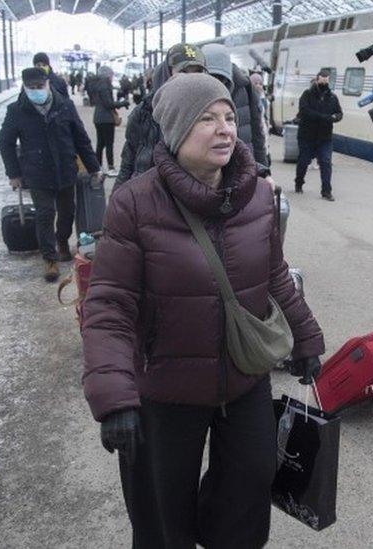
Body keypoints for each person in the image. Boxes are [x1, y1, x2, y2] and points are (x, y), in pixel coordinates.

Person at [82, 73, 325, 547]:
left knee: (250, 485)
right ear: (174, 132)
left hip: (243, 375)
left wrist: (307, 339)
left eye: (230, 117)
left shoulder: (257, 193)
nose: (225, 129)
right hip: (165, 387)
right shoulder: (135, 203)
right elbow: (110, 304)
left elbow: (275, 275)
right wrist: (114, 394)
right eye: (207, 119)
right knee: (161, 510)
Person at [0, 67, 101, 282]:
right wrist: (13, 173)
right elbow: (6, 143)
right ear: (24, 87)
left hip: (65, 169)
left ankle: (62, 240)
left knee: (67, 212)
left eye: (40, 86)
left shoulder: (65, 105)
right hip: (37, 172)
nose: (37, 91)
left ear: (48, 84)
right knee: (45, 214)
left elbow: (81, 138)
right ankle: (50, 258)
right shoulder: (17, 110)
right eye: (32, 87)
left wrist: (93, 167)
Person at [115, 43, 206, 188]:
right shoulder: (144, 112)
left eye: (198, 72)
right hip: (145, 195)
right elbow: (127, 164)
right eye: (184, 71)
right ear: (167, 73)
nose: (191, 78)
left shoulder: (209, 113)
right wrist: (116, 200)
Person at [202, 44, 270, 172]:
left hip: (242, 164)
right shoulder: (192, 90)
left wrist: (263, 169)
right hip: (217, 164)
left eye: (221, 77)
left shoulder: (245, 87)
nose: (217, 81)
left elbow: (257, 132)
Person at [294, 69, 342, 201]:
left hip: (325, 138)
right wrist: (324, 117)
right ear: (317, 79)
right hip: (307, 136)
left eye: (327, 80)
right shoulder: (307, 94)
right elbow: (304, 111)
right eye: (323, 80)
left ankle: (326, 191)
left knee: (326, 162)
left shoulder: (332, 97)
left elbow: (339, 113)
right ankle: (299, 182)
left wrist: (335, 117)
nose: (325, 83)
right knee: (303, 161)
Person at [87, 66, 128, 176]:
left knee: (100, 144)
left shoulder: (96, 84)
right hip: (106, 119)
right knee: (109, 143)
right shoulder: (104, 85)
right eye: (111, 74)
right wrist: (123, 103)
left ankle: (98, 166)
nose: (112, 77)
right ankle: (110, 168)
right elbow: (108, 104)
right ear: (107, 75)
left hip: (98, 118)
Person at [249, 71, 272, 162]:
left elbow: (265, 116)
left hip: (263, 135)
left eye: (260, 84)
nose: (258, 86)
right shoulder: (248, 99)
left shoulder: (263, 100)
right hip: (254, 137)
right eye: (255, 83)